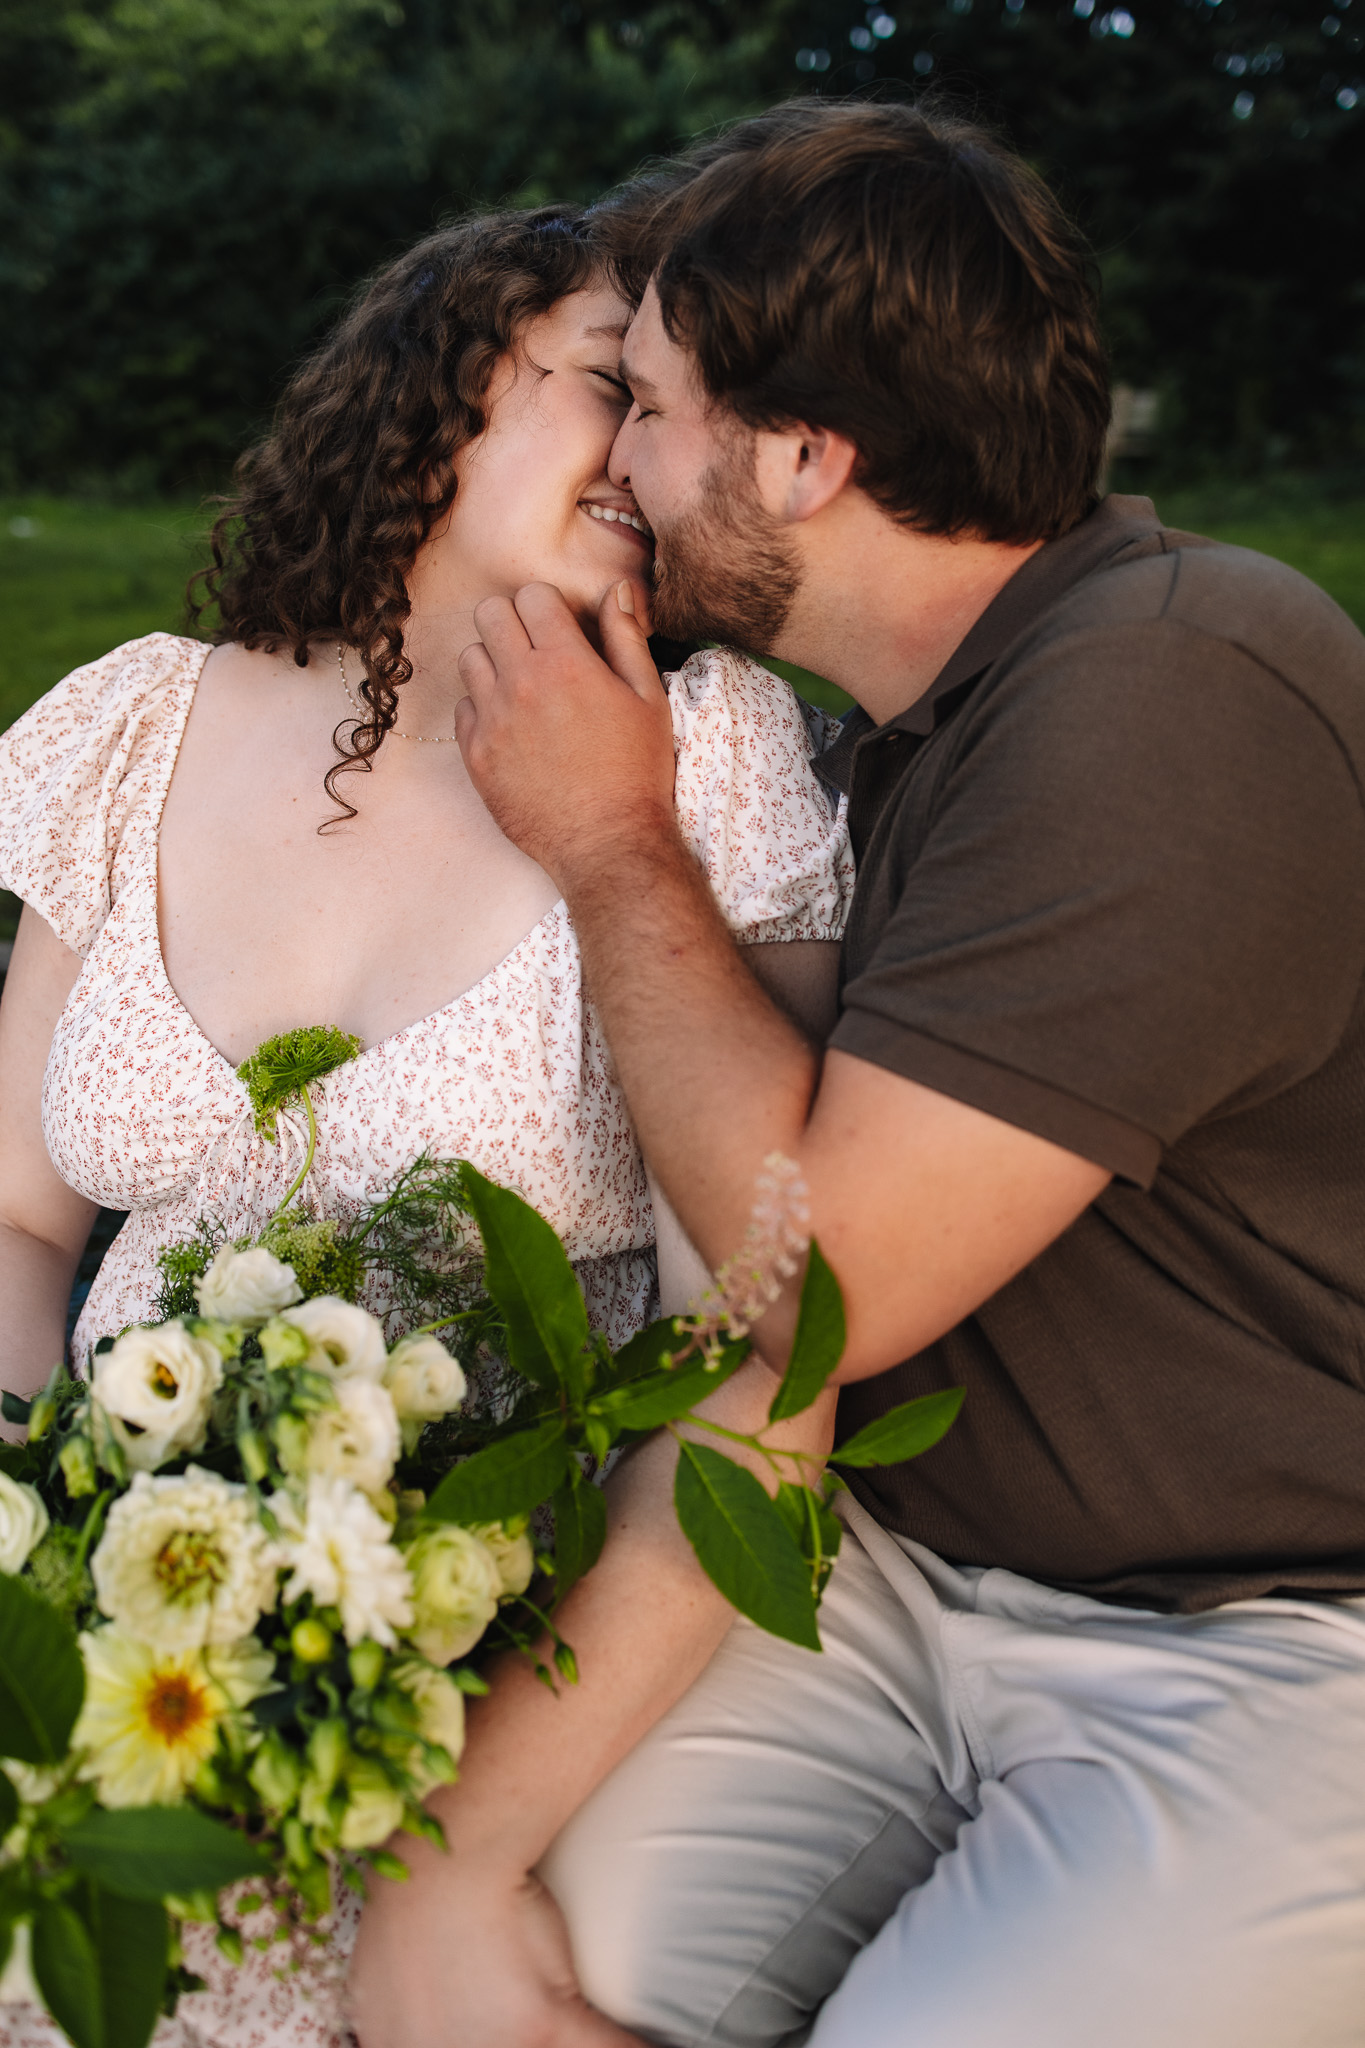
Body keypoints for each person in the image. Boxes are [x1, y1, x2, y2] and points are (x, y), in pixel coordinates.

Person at [351, 102, 1365, 2048]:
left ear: (804, 456)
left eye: (643, 403)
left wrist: (607, 842)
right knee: (519, 1947)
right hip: (902, 1584)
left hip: (1276, 1633)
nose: (619, 464)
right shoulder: (898, 725)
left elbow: (817, 1294)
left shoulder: (1174, 691)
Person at [0, 204, 851, 2048]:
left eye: (669, 415)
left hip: (503, 1636)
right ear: (440, 383)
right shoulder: (131, 724)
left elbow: (766, 1349)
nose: (645, 453)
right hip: (118, 1615)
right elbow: (11, 1220)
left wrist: (473, 1813)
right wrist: (38, 1544)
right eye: (605, 388)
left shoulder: (710, 757)